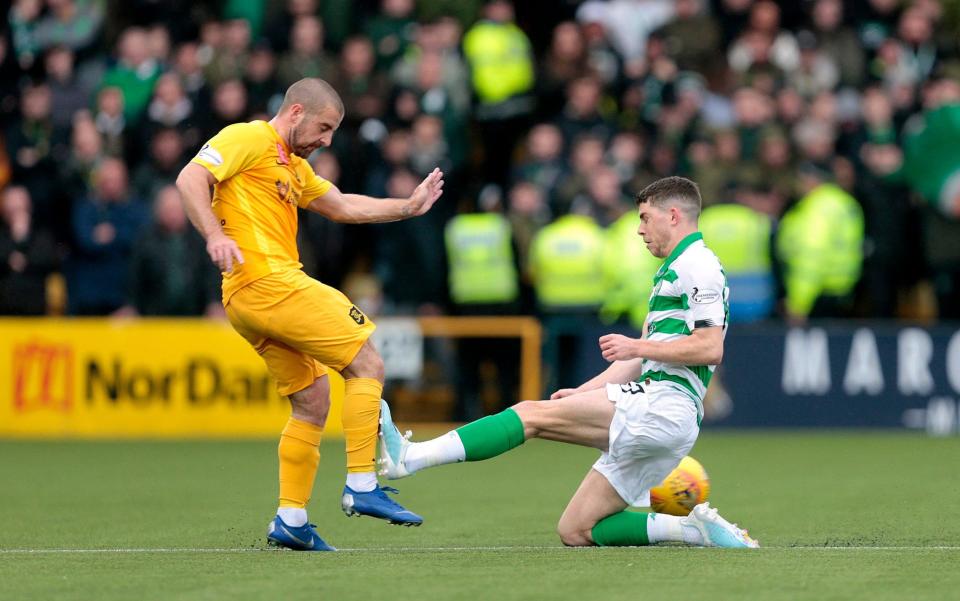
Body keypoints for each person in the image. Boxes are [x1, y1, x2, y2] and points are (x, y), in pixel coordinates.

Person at [379, 177, 759, 549]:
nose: (639, 229)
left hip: (663, 406)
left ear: (673, 215)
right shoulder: (673, 270)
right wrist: (585, 391)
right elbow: (636, 359)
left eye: (645, 217)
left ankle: (411, 458)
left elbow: (709, 348)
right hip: (663, 415)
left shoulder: (699, 265)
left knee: (530, 414)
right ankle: (693, 530)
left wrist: (637, 348)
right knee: (577, 529)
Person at [175, 77, 445, 552]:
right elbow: (191, 177)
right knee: (367, 362)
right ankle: (363, 484)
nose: (327, 141)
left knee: (312, 400)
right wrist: (214, 234)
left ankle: (291, 518)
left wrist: (407, 206)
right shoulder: (249, 137)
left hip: (247, 298)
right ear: (296, 111)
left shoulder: (291, 166)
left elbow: (341, 205)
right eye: (324, 127)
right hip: (268, 281)